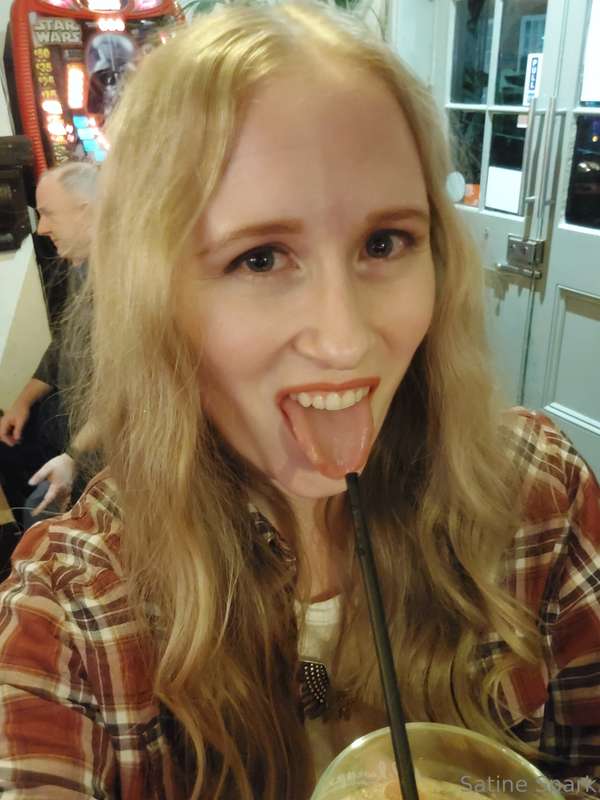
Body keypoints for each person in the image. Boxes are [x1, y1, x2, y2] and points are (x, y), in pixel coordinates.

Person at [0, 4, 599, 798]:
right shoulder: (75, 608)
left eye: (383, 242)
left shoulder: (539, 495)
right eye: (259, 258)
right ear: (155, 299)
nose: (345, 341)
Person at [0, 161, 97, 534]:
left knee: (37, 514)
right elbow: (62, 347)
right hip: (67, 417)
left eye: (48, 214)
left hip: (104, 441)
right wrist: (22, 400)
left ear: (85, 212)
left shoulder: (131, 281)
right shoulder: (82, 267)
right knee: (6, 444)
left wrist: (73, 458)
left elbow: (132, 390)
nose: (41, 228)